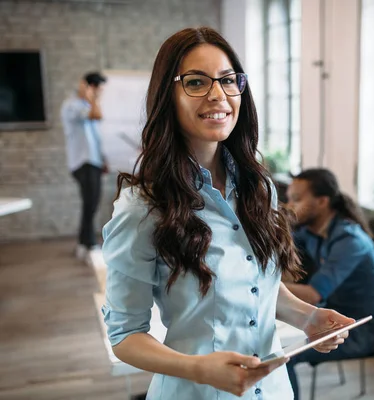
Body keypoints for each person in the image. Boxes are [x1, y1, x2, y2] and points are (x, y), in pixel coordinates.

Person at [101, 27, 354, 400]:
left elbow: (255, 281)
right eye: (196, 82)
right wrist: (199, 368)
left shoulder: (257, 187)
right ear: (166, 96)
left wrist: (307, 318)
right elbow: (125, 335)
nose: (217, 95)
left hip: (272, 390)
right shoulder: (143, 207)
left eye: (228, 80)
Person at [284, 168, 374, 399]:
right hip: (332, 315)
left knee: (282, 354)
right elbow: (279, 247)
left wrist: (266, 285)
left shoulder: (349, 240)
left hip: (360, 330)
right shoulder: (311, 230)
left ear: (322, 202)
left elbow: (312, 295)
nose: (289, 206)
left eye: (297, 199)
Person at [61, 71, 108, 264]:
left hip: (93, 161)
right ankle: (88, 244)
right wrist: (93, 97)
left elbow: (95, 137)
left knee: (92, 203)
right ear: (87, 86)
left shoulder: (86, 105)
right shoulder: (72, 105)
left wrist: (103, 159)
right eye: (98, 88)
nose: (100, 93)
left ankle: (83, 242)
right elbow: (97, 115)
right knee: (90, 203)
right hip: (82, 162)